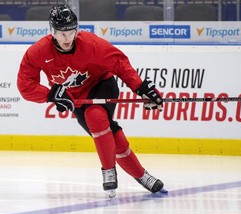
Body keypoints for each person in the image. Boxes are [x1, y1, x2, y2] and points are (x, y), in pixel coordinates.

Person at [17, 4, 164, 198]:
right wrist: (50, 95)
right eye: (62, 33)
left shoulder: (91, 43)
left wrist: (141, 88)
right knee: (109, 132)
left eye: (71, 32)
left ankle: (108, 171)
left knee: (96, 117)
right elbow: (25, 85)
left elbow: (119, 63)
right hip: (75, 99)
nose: (67, 38)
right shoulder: (38, 52)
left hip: (101, 85)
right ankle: (142, 175)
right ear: (52, 31)